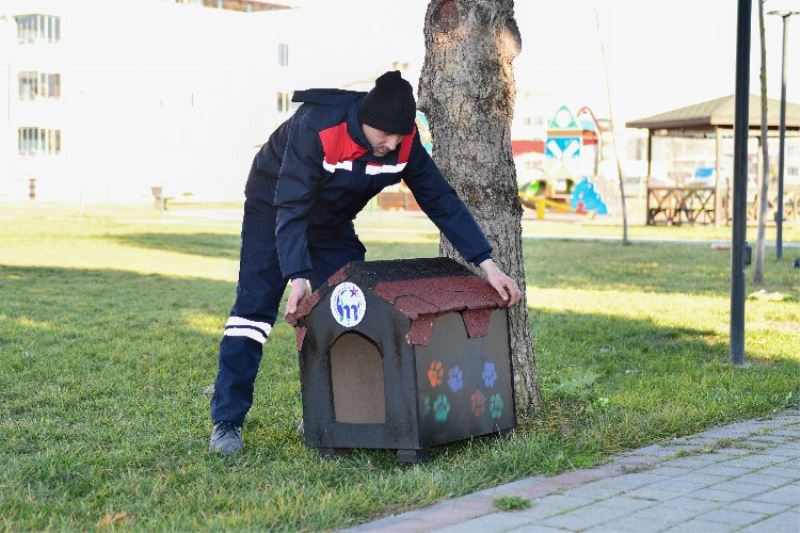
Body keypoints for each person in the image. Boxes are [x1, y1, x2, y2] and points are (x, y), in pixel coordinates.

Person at [209, 71, 521, 455]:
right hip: (273, 207)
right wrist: (298, 275)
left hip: (332, 222)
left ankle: (328, 414)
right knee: (253, 312)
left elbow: (441, 200)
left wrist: (487, 264)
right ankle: (228, 421)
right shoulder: (317, 128)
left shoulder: (405, 144)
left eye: (398, 136)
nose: (390, 145)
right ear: (363, 121)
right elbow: (291, 205)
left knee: (349, 309)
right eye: (382, 136)